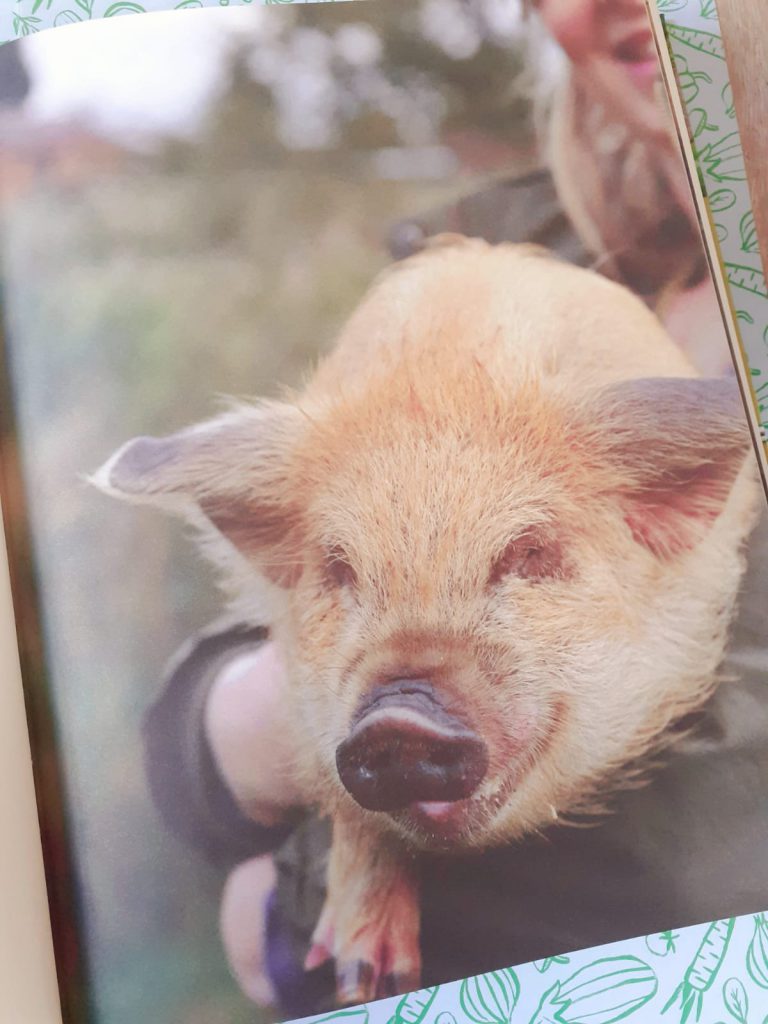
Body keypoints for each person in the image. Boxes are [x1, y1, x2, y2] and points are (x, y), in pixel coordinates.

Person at [142, 0, 767, 1016]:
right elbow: (204, 737)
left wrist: (287, 898)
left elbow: (704, 879)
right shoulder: (484, 242)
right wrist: (259, 740)